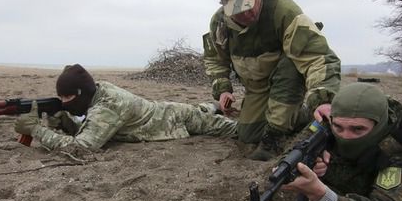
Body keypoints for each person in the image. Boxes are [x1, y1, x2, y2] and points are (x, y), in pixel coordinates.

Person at [203, 0, 341, 161]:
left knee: (291, 67)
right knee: (248, 134)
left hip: (287, 79)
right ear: (224, 6)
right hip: (258, 87)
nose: (246, 13)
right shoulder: (219, 23)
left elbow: (317, 58)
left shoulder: (283, 10)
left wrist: (323, 100)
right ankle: (299, 115)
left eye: (249, 3)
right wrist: (223, 88)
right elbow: (214, 60)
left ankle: (276, 135)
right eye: (237, 10)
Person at [14, 64, 237, 152]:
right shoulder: (97, 93)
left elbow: (81, 148)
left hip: (175, 120)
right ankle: (214, 105)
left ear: (82, 93)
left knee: (233, 129)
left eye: (68, 97)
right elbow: (89, 127)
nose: (64, 102)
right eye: (60, 98)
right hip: (164, 110)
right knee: (201, 108)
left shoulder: (108, 105)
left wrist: (37, 130)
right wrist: (61, 119)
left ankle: (218, 106)